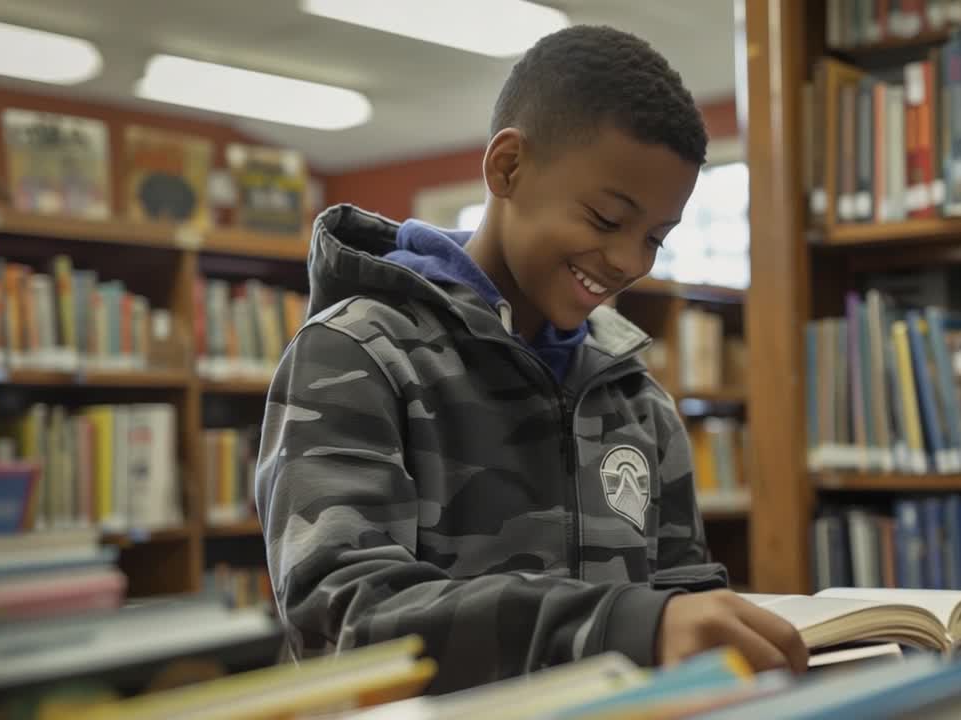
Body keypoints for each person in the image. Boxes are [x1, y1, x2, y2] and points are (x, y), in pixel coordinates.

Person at [254, 24, 807, 694]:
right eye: (606, 220)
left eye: (655, 238)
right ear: (507, 168)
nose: (630, 262)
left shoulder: (635, 397)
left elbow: (676, 593)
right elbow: (342, 620)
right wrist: (623, 627)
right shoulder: (356, 356)